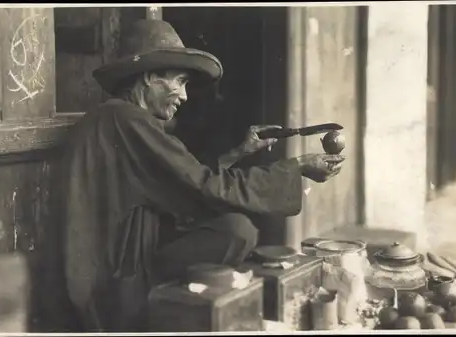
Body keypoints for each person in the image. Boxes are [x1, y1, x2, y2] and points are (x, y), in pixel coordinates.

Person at [57, 19, 345, 332]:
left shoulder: (118, 118)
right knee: (238, 230)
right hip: (112, 287)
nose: (183, 96)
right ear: (150, 76)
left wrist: (240, 152)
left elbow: (183, 182)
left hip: (120, 267)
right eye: (179, 82)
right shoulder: (126, 121)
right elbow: (203, 187)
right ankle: (174, 314)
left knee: (236, 229)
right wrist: (298, 165)